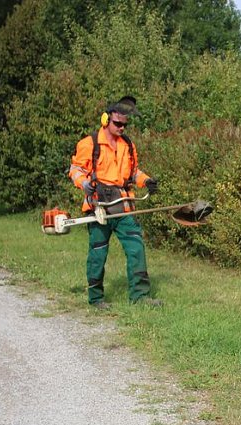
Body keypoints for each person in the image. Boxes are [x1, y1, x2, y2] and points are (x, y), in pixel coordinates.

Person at [68, 95, 162, 309]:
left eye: (124, 125)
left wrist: (146, 181)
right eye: (118, 124)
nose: (121, 128)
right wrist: (84, 184)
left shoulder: (128, 145)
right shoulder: (89, 144)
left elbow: (133, 173)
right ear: (106, 119)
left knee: (136, 248)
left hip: (124, 206)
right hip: (98, 208)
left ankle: (140, 296)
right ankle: (96, 299)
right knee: (98, 252)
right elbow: (75, 170)